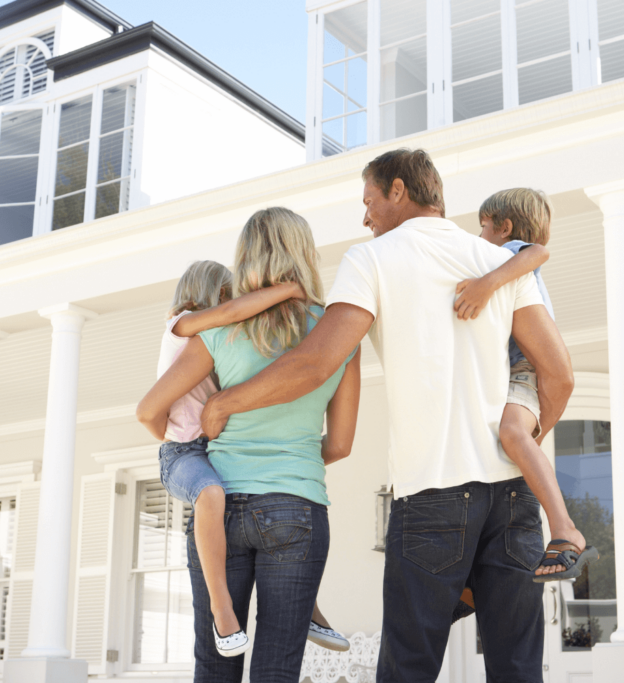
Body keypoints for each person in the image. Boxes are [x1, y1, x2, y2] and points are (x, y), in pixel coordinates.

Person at [200, 149, 575, 683]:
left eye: (369, 200)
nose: (365, 216)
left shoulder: (371, 258)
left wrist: (224, 402)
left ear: (398, 191)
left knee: (408, 669)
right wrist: (523, 441)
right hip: (513, 500)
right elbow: (558, 375)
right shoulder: (497, 259)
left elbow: (317, 361)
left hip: (432, 497)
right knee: (518, 668)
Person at [137, 209, 360, 681]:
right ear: (304, 255)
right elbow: (339, 444)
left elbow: (152, 407)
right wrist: (291, 462)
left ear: (245, 260)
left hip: (224, 507)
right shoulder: (337, 334)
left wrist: (177, 440)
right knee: (277, 668)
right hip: (297, 506)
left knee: (216, 665)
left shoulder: (215, 331)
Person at [453, 188, 597, 582]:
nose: (478, 236)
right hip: (513, 368)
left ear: (505, 228)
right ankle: (475, 579)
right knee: (505, 455)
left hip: (526, 367)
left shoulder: (512, 255)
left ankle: (566, 529)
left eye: (482, 227)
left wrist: (485, 284)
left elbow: (538, 252)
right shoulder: (504, 259)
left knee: (514, 434)